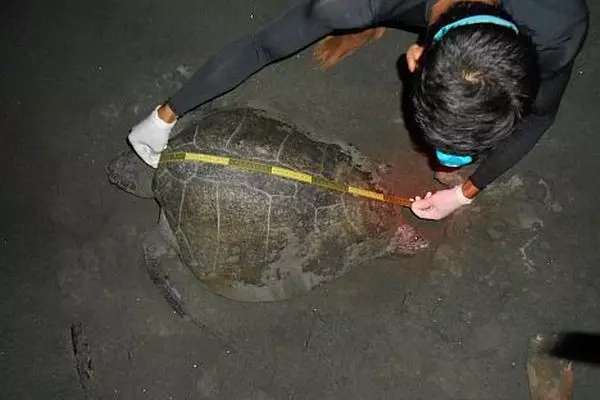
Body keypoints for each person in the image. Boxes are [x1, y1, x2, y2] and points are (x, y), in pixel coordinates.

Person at [127, 0, 589, 220]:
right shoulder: (345, 4)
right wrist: (165, 114)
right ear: (414, 60)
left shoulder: (558, 28)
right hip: (385, 7)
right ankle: (375, 24)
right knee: (345, 14)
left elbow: (542, 115)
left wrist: (465, 190)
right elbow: (261, 45)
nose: (438, 164)